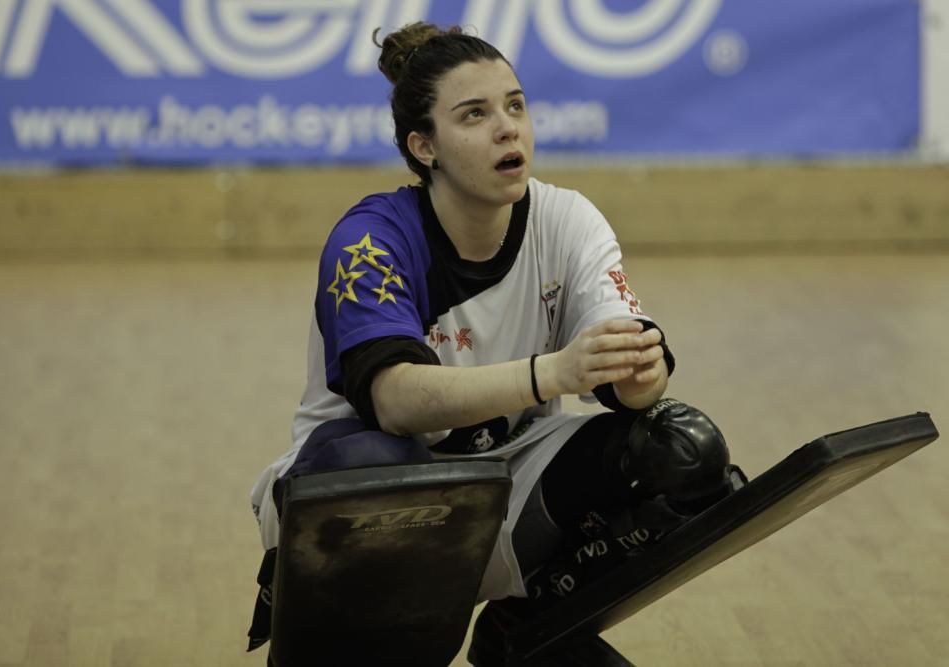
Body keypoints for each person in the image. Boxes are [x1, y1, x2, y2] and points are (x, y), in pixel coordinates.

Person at [247, 22, 743, 666]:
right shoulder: (370, 241)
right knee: (368, 460)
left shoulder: (566, 218)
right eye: (475, 115)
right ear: (424, 147)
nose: (508, 127)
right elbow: (395, 402)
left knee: (681, 449)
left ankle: (525, 629)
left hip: (505, 484)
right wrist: (551, 373)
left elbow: (628, 374)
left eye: (515, 105)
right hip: (360, 508)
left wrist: (637, 373)